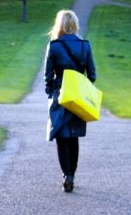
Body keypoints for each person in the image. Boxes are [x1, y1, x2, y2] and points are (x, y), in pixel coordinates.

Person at [44, 10, 96, 193]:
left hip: (60, 95)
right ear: (74, 25)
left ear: (60, 25)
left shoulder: (54, 46)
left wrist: (51, 94)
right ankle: (71, 175)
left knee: (60, 135)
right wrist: (81, 86)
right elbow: (93, 75)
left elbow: (47, 77)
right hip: (78, 96)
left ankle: (66, 175)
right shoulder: (85, 46)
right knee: (74, 136)